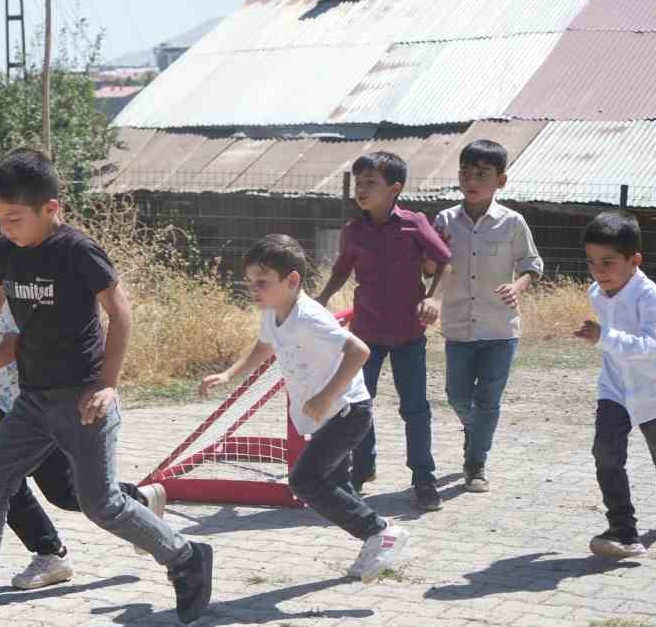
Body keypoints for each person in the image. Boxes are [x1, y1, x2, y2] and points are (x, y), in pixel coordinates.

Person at [0, 148, 213, 627]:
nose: (5, 229)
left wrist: (108, 385)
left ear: (52, 209)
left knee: (101, 504)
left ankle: (184, 556)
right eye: (0, 217)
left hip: (82, 399)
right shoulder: (6, 252)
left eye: (15, 218)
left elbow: (121, 311)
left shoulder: (77, 251)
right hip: (32, 400)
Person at [0, 197, 169, 591]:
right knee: (2, 483)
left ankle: (135, 514)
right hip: (14, 400)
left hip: (46, 401)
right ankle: (44, 554)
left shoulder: (33, 275)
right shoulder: (2, 279)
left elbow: (13, 347)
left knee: (68, 494)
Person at [204, 235, 410, 581]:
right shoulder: (274, 313)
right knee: (334, 485)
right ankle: (377, 538)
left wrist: (327, 396)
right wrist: (229, 372)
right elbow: (264, 346)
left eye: (262, 282)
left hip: (347, 411)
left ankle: (380, 532)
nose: (253, 289)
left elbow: (359, 351)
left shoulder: (310, 318)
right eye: (250, 282)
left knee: (304, 480)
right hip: (329, 415)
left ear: (293, 280)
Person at [317, 152, 453, 512]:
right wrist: (322, 298)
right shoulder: (353, 231)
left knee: (415, 408)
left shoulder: (414, 223)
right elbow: (342, 270)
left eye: (370, 183)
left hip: (409, 333)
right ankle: (361, 470)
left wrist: (434, 299)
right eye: (358, 183)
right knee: (358, 405)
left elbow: (444, 261)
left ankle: (423, 478)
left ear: (394, 189)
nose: (361, 189)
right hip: (366, 335)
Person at [574, 210, 656, 559]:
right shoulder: (597, 292)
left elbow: (651, 347)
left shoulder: (648, 295)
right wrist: (602, 338)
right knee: (605, 453)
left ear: (634, 260)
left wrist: (603, 336)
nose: (598, 271)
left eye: (608, 262)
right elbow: (611, 345)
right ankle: (623, 530)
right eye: (591, 261)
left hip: (655, 390)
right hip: (615, 389)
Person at [432, 140, 544, 493]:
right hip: (458, 328)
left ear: (501, 180)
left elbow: (532, 265)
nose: (472, 180)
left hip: (500, 329)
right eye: (466, 172)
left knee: (489, 401)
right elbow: (433, 266)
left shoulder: (513, 223)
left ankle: (476, 463)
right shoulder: (445, 220)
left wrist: (519, 285)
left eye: (482, 174)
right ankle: (475, 429)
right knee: (456, 396)